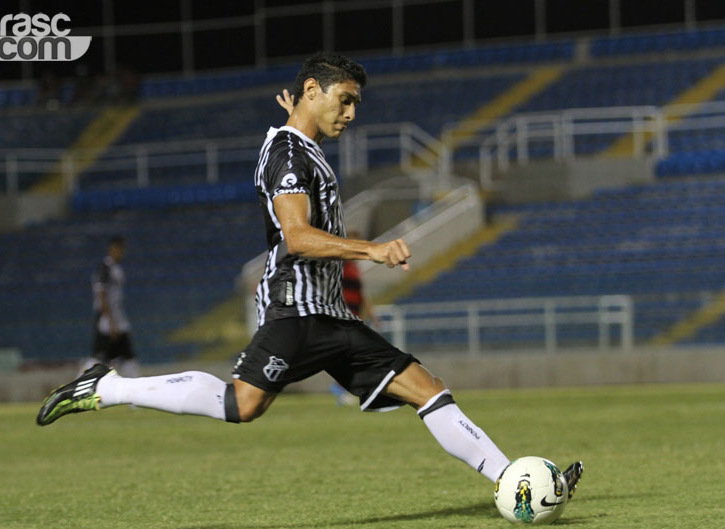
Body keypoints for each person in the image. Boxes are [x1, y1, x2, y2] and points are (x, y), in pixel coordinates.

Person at [36, 53, 582, 497]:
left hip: (332, 316)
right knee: (242, 404)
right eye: (344, 100)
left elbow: (296, 148)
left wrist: (300, 112)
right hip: (296, 309)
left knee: (428, 389)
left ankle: (516, 482)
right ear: (314, 91)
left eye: (354, 104)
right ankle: (108, 387)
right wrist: (370, 249)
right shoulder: (290, 154)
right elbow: (296, 236)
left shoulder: (302, 148)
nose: (350, 113)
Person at [78, 236, 139, 379]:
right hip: (107, 319)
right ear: (112, 249)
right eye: (119, 249)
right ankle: (78, 385)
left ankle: (135, 393)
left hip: (118, 318)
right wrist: (110, 321)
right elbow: (101, 294)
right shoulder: (104, 268)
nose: (121, 253)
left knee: (126, 356)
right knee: (100, 357)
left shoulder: (115, 268)